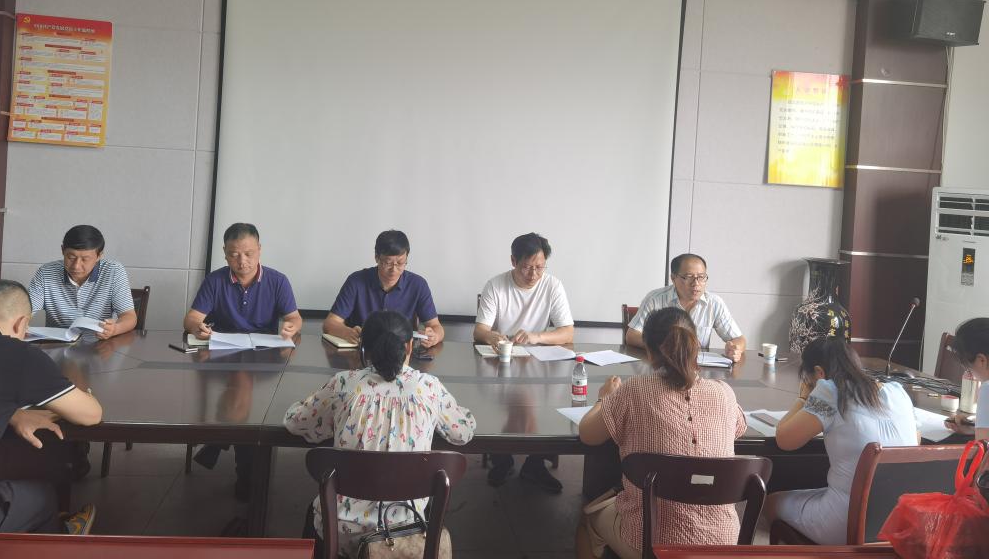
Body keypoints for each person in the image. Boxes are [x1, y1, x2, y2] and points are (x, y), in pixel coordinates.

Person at [285, 310, 475, 555]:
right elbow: (463, 432)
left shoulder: (344, 384)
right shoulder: (429, 388)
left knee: (314, 514)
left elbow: (296, 423)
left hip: (340, 530)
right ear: (409, 346)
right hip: (406, 528)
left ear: (364, 348)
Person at [576, 307, 746, 559]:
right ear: (696, 345)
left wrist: (604, 399)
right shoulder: (724, 393)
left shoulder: (634, 391)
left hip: (649, 542)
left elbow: (588, 435)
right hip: (722, 543)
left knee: (586, 520)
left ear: (649, 351)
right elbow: (738, 429)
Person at [0, 280, 102, 534]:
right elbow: (90, 414)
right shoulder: (17, 354)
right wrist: (87, 393)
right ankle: (61, 536)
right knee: (43, 497)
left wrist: (12, 413)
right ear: (21, 324)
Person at [183, 222, 302, 500]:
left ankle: (221, 443)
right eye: (234, 254)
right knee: (240, 388)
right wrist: (198, 328)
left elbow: (295, 318)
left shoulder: (277, 280)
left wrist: (291, 327)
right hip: (222, 354)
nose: (242, 261)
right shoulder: (215, 280)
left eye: (249, 253)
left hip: (264, 356)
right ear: (224, 253)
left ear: (260, 250)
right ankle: (244, 472)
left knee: (242, 389)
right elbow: (191, 318)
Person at [764, 336, 919, 544]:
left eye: (809, 381)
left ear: (819, 373)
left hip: (847, 522)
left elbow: (784, 439)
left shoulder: (829, 391)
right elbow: (916, 440)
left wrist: (803, 398)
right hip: (897, 520)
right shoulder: (898, 392)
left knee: (771, 503)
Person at [473, 232, 574, 492]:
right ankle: (502, 460)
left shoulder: (552, 285)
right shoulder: (496, 285)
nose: (533, 274)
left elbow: (567, 333)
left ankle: (535, 465)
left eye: (540, 267)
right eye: (527, 267)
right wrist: (492, 336)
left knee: (550, 403)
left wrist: (537, 336)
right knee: (493, 402)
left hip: (540, 364)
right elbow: (480, 330)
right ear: (513, 261)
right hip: (500, 363)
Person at [323, 230, 444, 347]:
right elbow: (330, 323)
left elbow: (436, 326)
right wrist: (346, 332)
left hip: (401, 354)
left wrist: (435, 337)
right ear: (377, 257)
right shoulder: (356, 281)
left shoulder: (418, 285)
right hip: (363, 350)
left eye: (400, 263)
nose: (394, 269)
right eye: (388, 263)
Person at [625, 253, 746, 362]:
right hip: (662, 364)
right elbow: (632, 336)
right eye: (688, 277)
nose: (696, 283)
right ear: (673, 278)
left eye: (701, 277)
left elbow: (739, 339)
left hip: (697, 368)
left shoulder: (714, 303)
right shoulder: (655, 299)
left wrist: (735, 349)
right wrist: (667, 345)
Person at [28, 224, 136, 340]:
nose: (76, 266)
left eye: (85, 259)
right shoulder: (46, 272)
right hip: (56, 344)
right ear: (62, 250)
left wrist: (115, 329)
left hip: (99, 344)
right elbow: (25, 311)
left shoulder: (113, 271)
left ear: (99, 256)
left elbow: (129, 316)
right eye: (71, 257)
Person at [944, 318, 989, 442]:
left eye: (969, 368)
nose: (971, 375)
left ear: (981, 360)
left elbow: (984, 447)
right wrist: (976, 428)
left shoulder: (987, 389)